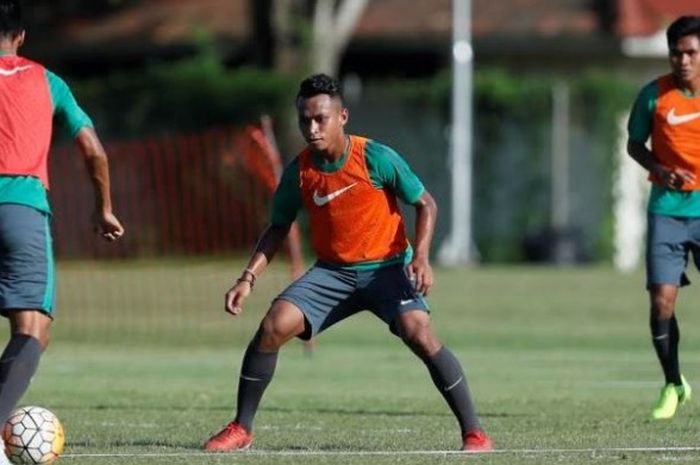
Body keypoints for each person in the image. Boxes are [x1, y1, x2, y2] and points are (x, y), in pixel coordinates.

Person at [203, 73, 492, 452]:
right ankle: (241, 428)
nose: (311, 127)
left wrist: (421, 257)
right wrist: (247, 279)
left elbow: (426, 205)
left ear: (342, 117)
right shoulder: (300, 172)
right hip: (332, 273)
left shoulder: (375, 157)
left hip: (387, 269)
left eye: (320, 118)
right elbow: (277, 227)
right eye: (304, 119)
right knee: (274, 326)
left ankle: (475, 434)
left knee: (418, 332)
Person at [0, 1, 124, 460]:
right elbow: (93, 151)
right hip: (21, 209)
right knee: (32, 330)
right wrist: (103, 208)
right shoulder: (46, 80)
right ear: (21, 36)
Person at [627, 15, 700, 420]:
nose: (683, 60)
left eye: (691, 52)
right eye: (676, 52)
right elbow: (634, 144)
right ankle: (674, 383)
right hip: (667, 213)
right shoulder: (654, 96)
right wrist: (660, 170)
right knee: (662, 302)